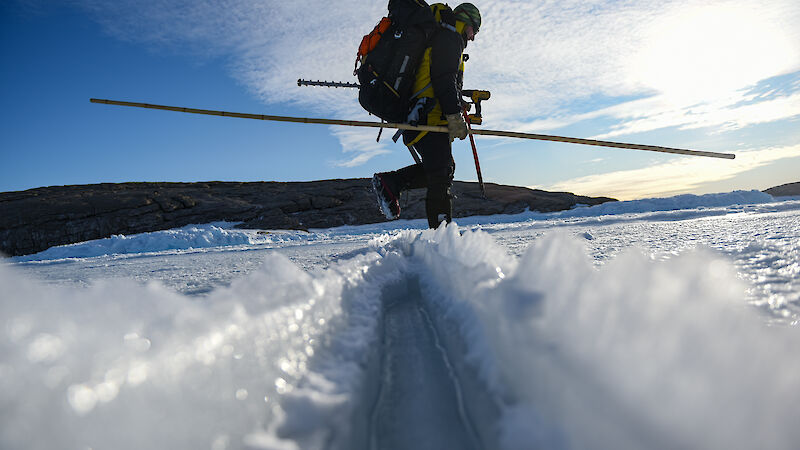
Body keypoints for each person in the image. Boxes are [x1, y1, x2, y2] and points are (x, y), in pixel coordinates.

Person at [372, 2, 481, 228]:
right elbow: (442, 80)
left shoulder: (444, 37)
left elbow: (439, 78)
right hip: (427, 115)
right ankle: (442, 241)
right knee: (441, 174)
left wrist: (458, 103)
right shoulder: (449, 37)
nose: (473, 38)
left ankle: (391, 183)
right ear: (467, 22)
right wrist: (454, 116)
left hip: (422, 113)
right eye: (474, 30)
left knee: (443, 169)